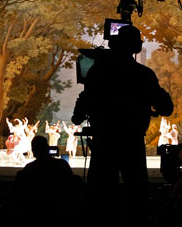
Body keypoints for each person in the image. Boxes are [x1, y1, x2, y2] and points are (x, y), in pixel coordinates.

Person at [72, 24, 173, 222]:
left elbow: (81, 110)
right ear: (135, 48)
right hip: (132, 142)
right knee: (136, 195)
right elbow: (166, 108)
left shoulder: (97, 72)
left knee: (99, 195)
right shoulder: (144, 75)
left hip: (104, 142)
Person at [13, 135, 80, 219]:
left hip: (34, 211)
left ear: (34, 150)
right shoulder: (62, 165)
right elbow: (72, 186)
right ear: (47, 148)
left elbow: (20, 191)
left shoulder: (29, 168)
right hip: (60, 209)